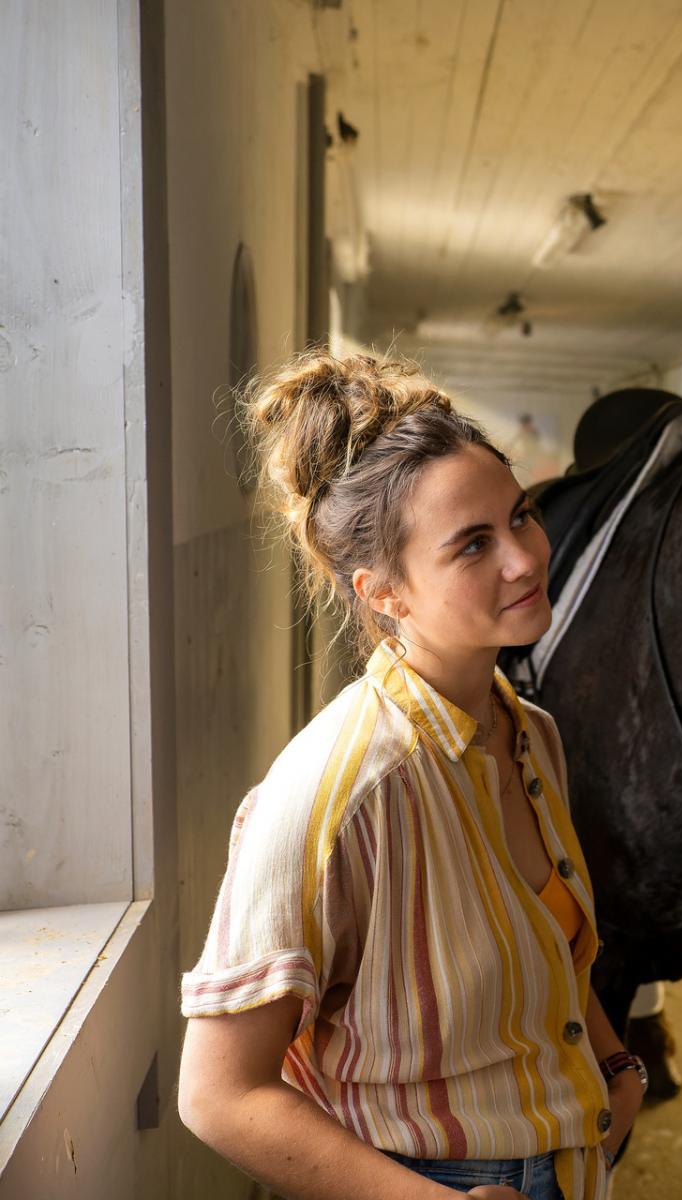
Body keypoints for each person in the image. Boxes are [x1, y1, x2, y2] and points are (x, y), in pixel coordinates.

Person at [177, 352, 643, 1200]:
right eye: (473, 544)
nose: (524, 557)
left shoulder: (531, 735)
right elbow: (217, 1095)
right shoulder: (341, 789)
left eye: (522, 515)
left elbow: (550, 956)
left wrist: (618, 1064)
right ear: (383, 591)